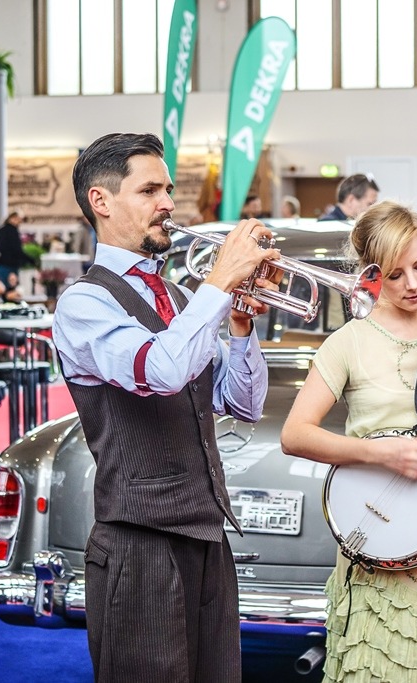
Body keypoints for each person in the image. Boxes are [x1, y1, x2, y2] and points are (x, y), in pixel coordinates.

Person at [52, 132, 280, 682]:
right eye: (150, 190)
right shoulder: (84, 302)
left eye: (168, 189)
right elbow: (160, 371)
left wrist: (243, 325)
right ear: (101, 202)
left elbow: (241, 403)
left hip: (205, 536)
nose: (168, 204)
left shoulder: (180, 299)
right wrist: (221, 279)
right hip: (139, 544)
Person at [280, 200, 417, 682]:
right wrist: (379, 452)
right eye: (396, 275)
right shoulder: (348, 341)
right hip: (377, 522)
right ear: (370, 273)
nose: (414, 285)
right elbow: (295, 435)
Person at [0, 211, 32, 287]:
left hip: (0, 265)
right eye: (19, 219)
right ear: (12, 218)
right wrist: (31, 260)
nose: (20, 222)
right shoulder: (12, 231)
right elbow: (16, 249)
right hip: (10, 266)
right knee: (11, 289)